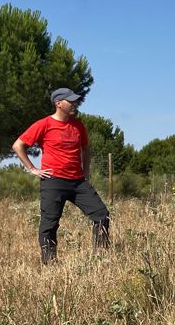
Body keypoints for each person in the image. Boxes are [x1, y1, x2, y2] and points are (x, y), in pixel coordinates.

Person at [11, 88, 110, 264]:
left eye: (75, 101)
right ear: (58, 103)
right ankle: (50, 264)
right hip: (53, 181)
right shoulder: (44, 124)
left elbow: (85, 149)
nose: (75, 104)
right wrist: (33, 169)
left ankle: (101, 258)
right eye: (70, 101)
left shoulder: (78, 125)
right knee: (50, 224)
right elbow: (18, 145)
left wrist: (85, 171)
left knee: (101, 214)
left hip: (78, 182)